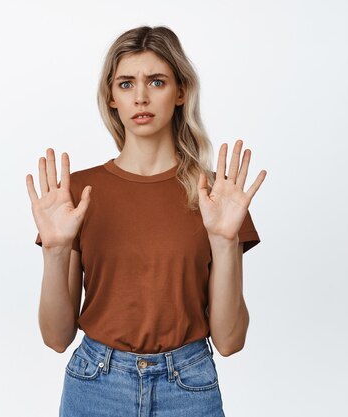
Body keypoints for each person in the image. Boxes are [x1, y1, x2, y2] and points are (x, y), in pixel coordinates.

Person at [25, 25, 266, 417]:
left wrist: (224, 241)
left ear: (181, 91)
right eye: (125, 83)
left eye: (156, 81)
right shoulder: (78, 194)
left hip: (188, 386)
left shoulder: (216, 198)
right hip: (96, 385)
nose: (140, 96)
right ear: (111, 97)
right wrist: (55, 251)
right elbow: (55, 338)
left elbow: (229, 341)